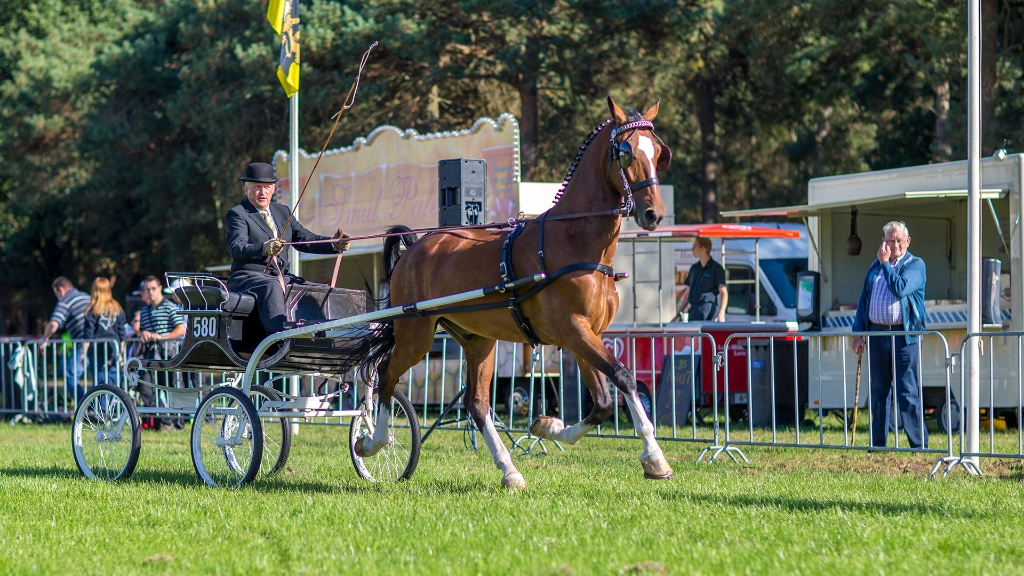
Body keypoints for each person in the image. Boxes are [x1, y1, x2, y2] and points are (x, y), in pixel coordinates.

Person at [225, 162, 350, 334]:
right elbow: (237, 248)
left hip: (280, 277)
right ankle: (279, 338)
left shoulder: (282, 211)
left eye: (267, 187)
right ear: (246, 190)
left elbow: (305, 239)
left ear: (273, 189)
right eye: (257, 187)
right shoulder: (238, 214)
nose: (263, 192)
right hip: (248, 277)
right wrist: (264, 248)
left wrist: (333, 244)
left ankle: (328, 337)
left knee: (318, 289)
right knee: (272, 286)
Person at [851, 221, 928, 449]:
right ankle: (878, 446)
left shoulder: (915, 265)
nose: (894, 244)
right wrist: (858, 333)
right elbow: (864, 301)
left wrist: (885, 264)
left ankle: (918, 446)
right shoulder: (874, 267)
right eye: (890, 240)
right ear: (883, 241)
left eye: (899, 240)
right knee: (878, 393)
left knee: (907, 392)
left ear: (908, 241)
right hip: (877, 335)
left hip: (905, 337)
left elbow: (900, 288)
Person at [131, 275, 186, 430]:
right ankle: (163, 419)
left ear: (160, 288)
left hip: (169, 354)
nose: (151, 292)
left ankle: (176, 421)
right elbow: (142, 331)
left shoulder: (169, 307)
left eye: (153, 289)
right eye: (148, 290)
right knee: (146, 387)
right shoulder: (144, 310)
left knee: (172, 388)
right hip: (151, 354)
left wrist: (162, 337)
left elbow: (181, 329)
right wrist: (143, 334)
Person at [41, 277, 91, 402]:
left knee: (71, 376)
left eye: (56, 294)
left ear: (61, 290)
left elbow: (53, 324)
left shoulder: (65, 299)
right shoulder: (86, 296)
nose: (57, 297)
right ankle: (101, 410)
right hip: (98, 342)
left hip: (82, 342)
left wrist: (44, 338)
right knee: (100, 377)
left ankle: (85, 411)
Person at [83, 277, 127, 387]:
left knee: (98, 381)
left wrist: (83, 352)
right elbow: (122, 334)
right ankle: (110, 403)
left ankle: (99, 403)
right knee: (112, 381)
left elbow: (88, 334)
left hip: (97, 350)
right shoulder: (117, 308)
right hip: (114, 349)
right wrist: (121, 353)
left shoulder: (92, 309)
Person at [677, 237, 728, 322]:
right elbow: (688, 292)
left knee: (706, 335)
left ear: (703, 249)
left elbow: (723, 292)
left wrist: (721, 313)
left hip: (708, 312)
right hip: (694, 311)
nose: (692, 249)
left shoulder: (716, 269)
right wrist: (678, 314)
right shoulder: (694, 268)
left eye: (695, 246)